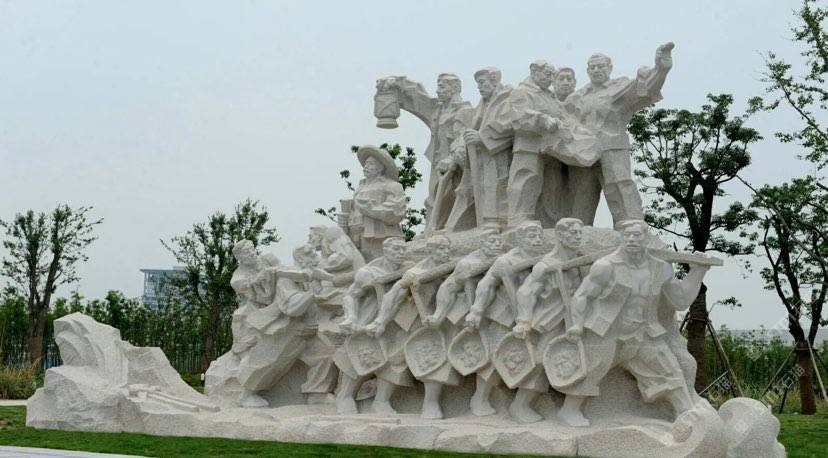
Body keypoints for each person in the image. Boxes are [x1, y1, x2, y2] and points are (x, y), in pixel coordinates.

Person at [559, 220, 710, 428]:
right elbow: (582, 296)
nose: (631, 239)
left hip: (643, 332)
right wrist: (576, 325)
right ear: (621, 238)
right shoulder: (606, 266)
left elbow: (681, 300)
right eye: (627, 235)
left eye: (636, 235)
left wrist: (698, 272)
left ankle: (687, 414)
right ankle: (568, 410)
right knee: (592, 368)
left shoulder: (660, 268)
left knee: (669, 371)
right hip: (606, 331)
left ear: (646, 239)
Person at [566, 43, 674, 226]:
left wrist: (661, 70)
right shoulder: (577, 96)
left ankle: (632, 227)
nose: (596, 70)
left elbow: (644, 88)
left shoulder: (619, 87)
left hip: (613, 146)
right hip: (583, 152)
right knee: (580, 192)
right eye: (592, 67)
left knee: (620, 185)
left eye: (601, 66)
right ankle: (576, 231)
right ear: (587, 71)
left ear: (610, 68)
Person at [368, 235, 457, 419]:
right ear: (430, 251)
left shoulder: (450, 267)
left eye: (448, 248)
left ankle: (430, 403)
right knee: (397, 358)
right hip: (413, 322)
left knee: (436, 359)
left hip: (438, 325)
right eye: (441, 249)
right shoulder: (415, 272)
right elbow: (393, 296)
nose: (446, 252)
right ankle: (381, 400)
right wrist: (381, 321)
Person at [464, 221, 547, 418]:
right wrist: (476, 310)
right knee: (494, 357)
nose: (536, 240)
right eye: (531, 236)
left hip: (532, 317)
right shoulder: (506, 260)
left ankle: (521, 405)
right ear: (519, 239)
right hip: (504, 315)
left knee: (532, 359)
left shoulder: (543, 259)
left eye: (539, 236)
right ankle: (480, 398)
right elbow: (486, 285)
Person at [510, 218, 588, 423]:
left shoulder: (582, 260)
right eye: (573, 233)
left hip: (575, 321)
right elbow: (526, 292)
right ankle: (520, 405)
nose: (577, 237)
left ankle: (570, 409)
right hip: (551, 320)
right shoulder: (545, 265)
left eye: (579, 233)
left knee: (580, 359)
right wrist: (524, 321)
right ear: (560, 236)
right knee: (540, 361)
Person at [376, 74, 472, 232]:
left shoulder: (465, 111)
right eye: (438, 86)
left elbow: (463, 136)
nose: (438, 90)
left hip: (456, 164)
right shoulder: (438, 109)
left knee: (448, 195)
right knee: (434, 196)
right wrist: (397, 83)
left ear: (455, 88)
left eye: (442, 87)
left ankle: (444, 229)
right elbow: (419, 98)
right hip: (438, 161)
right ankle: (431, 229)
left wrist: (452, 158)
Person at [334, 237, 411, 415]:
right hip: (369, 318)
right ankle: (345, 396)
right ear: (385, 250)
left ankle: (382, 400)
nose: (400, 253)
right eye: (396, 249)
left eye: (403, 249)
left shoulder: (408, 270)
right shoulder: (368, 272)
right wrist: (351, 316)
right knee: (360, 356)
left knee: (395, 360)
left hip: (397, 321)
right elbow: (350, 296)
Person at [452, 67, 515, 231]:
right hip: (482, 154)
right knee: (485, 185)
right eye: (477, 84)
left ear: (493, 80)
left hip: (499, 153)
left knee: (498, 185)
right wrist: (462, 143)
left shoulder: (507, 100)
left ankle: (499, 222)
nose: (479, 87)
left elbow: (508, 124)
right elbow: (473, 125)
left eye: (481, 82)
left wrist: (482, 137)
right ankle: (486, 221)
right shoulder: (482, 104)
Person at [344, 145, 407, 261]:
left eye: (371, 164)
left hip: (381, 238)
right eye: (365, 164)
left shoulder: (392, 186)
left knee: (382, 267)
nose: (366, 166)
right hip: (357, 237)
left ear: (381, 167)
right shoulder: (360, 188)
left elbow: (396, 212)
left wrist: (370, 209)